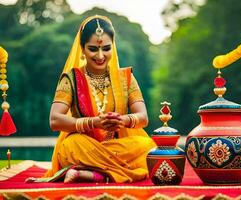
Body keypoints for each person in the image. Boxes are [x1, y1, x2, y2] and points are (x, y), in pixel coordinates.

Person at [27, 15, 156, 183]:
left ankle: (93, 174)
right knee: (70, 145)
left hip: (119, 146)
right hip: (85, 145)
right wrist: (93, 122)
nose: (101, 55)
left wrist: (122, 121)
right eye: (93, 49)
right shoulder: (71, 78)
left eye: (107, 48)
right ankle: (113, 174)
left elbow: (143, 117)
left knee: (149, 148)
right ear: (82, 48)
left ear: (113, 47)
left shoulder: (126, 78)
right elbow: (55, 119)